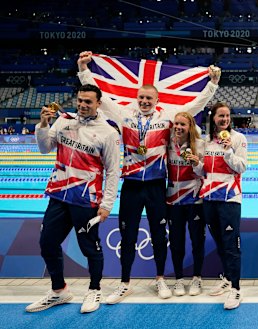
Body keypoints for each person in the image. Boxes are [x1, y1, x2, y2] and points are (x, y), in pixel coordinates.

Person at [77, 51, 219, 303]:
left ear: (156, 99)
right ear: (137, 97)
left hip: (156, 186)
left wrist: (212, 84)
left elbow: (194, 106)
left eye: (149, 98)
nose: (144, 101)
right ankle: (124, 283)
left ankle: (160, 279)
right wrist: (83, 70)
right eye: (141, 97)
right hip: (131, 185)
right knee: (128, 235)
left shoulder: (166, 117)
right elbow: (101, 97)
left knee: (158, 234)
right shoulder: (123, 115)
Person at [26, 84, 121, 313]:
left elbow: (113, 171)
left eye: (88, 101)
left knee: (90, 248)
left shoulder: (108, 132)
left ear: (98, 103)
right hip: (59, 195)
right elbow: (44, 148)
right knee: (47, 242)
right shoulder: (64, 120)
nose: (82, 105)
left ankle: (94, 289)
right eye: (80, 100)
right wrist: (43, 125)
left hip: (86, 200)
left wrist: (107, 205)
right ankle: (59, 290)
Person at [195, 102, 247, 310]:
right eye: (220, 116)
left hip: (229, 198)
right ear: (213, 118)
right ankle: (226, 277)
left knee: (231, 245)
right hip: (209, 198)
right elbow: (204, 171)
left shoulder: (238, 139)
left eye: (227, 116)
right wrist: (194, 164)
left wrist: (228, 152)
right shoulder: (206, 142)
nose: (224, 119)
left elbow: (241, 167)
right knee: (219, 242)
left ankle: (236, 289)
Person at [166, 112, 206, 297]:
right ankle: (179, 280)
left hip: (195, 200)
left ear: (190, 127)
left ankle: (197, 277)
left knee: (197, 241)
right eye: (177, 124)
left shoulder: (200, 145)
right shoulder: (168, 145)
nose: (179, 127)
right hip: (173, 201)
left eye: (183, 124)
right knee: (176, 242)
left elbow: (205, 172)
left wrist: (197, 164)